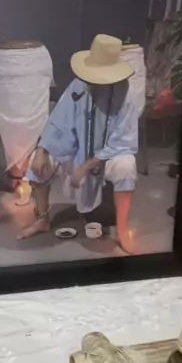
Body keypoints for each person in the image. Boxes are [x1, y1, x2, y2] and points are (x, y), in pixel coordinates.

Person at [18, 34, 139, 254]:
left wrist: (89, 164)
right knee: (38, 162)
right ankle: (42, 220)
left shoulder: (126, 94)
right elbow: (58, 120)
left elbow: (125, 139)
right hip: (76, 149)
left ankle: (122, 229)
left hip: (110, 154)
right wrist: (41, 149)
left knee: (126, 167)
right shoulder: (79, 84)